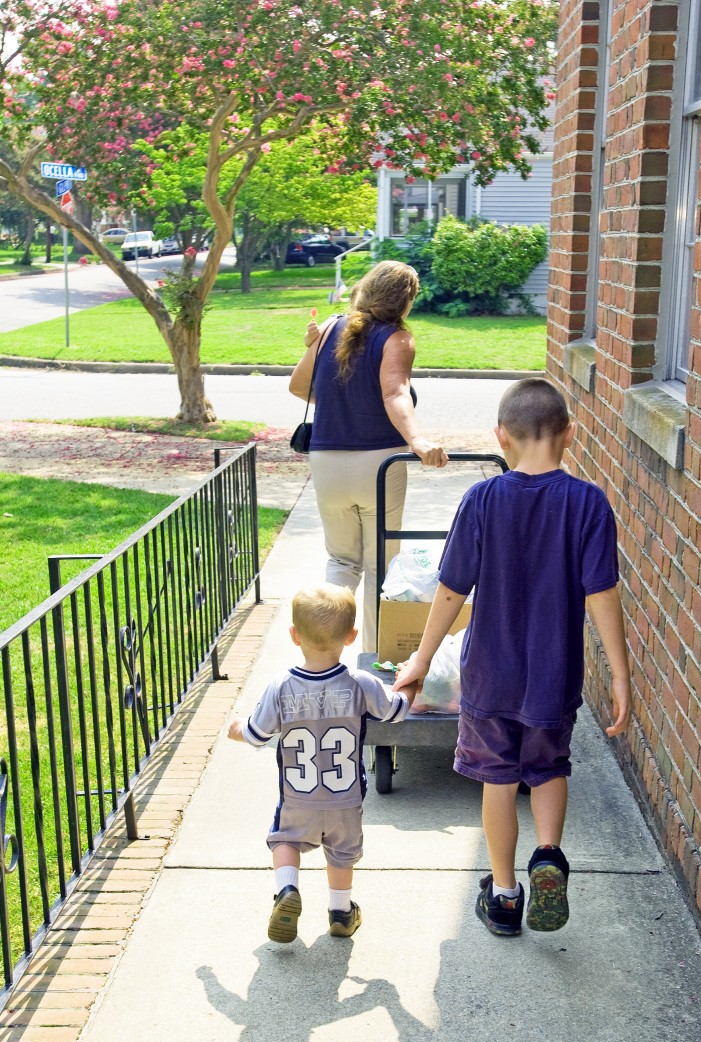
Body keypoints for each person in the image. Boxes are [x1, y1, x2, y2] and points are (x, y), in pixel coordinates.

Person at [394, 379, 632, 937]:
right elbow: (602, 595)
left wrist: (421, 662)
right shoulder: (588, 503)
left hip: (489, 676)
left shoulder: (482, 500)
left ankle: (503, 896)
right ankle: (548, 856)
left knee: (497, 781)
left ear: (501, 437)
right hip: (554, 676)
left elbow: (451, 589)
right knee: (549, 768)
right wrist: (621, 676)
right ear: (569, 434)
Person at [228, 583, 417, 943]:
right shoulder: (362, 683)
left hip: (298, 797)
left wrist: (235, 728)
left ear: (294, 636)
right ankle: (341, 914)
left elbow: (255, 735)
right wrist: (412, 680)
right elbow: (397, 711)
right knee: (341, 854)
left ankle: (287, 890)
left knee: (285, 839)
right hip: (346, 798)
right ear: (352, 636)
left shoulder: (281, 686)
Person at [289, 261, 448, 652]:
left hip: (326, 462)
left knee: (341, 561)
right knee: (380, 563)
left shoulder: (330, 328)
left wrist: (316, 352)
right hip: (379, 464)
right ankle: (374, 657)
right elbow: (394, 394)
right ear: (406, 301)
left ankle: (322, 652)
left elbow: (298, 387)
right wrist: (418, 441)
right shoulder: (397, 339)